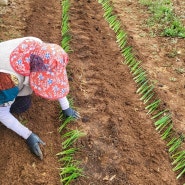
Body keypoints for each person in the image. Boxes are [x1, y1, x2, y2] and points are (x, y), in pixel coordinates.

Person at [0, 36, 80, 160]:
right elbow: (2, 114)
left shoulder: (39, 47)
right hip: (3, 79)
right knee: (22, 105)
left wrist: (66, 107)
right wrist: (28, 135)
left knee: (24, 100)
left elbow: (53, 71)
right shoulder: (8, 81)